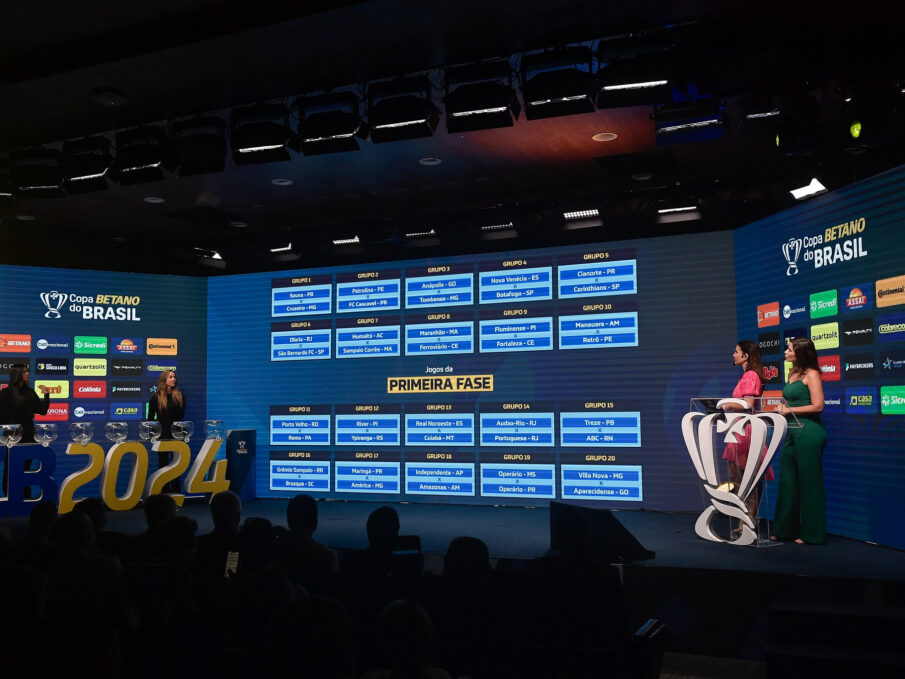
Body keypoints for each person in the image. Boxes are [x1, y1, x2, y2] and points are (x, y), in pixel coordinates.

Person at [772, 337, 827, 545]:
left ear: (800, 353)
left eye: (789, 349)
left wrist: (789, 409)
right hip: (792, 430)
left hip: (810, 432)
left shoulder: (812, 374)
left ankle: (812, 533)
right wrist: (781, 409)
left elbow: (818, 406)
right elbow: (790, 401)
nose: (785, 352)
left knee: (809, 484)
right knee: (788, 480)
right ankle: (785, 530)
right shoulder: (792, 373)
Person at [721, 340, 774, 528]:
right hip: (739, 429)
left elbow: (749, 404)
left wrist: (727, 404)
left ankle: (749, 519)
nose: (733, 355)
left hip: (747, 430)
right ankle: (745, 518)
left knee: (749, 478)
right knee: (738, 477)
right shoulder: (746, 376)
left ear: (745, 356)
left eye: (736, 352)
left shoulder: (751, 376)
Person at [0, 364, 50, 495]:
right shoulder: (5, 394)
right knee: (10, 468)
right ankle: (9, 497)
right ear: (17, 374)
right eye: (25, 371)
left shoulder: (30, 393)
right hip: (11, 438)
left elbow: (42, 410)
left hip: (28, 436)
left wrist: (46, 395)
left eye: (28, 371)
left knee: (26, 469)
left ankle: (25, 498)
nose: (28, 373)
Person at [147, 370, 186, 493]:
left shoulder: (180, 396)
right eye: (171, 377)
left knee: (176, 466)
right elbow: (150, 418)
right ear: (164, 380)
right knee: (163, 465)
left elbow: (181, 417)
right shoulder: (156, 397)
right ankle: (164, 495)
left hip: (176, 436)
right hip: (162, 436)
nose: (174, 379)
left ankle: (176, 494)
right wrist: (154, 435)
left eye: (174, 377)